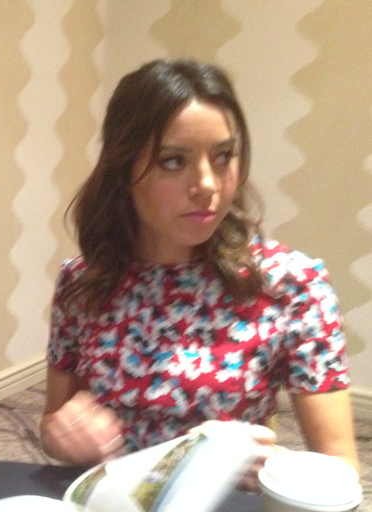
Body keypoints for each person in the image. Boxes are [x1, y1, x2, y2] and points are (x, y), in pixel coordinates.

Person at [39, 59, 359, 488]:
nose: (207, 184)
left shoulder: (291, 285)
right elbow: (52, 424)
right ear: (123, 171)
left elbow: (342, 473)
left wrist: (275, 466)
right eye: (173, 161)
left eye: (224, 156)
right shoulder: (84, 282)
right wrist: (64, 434)